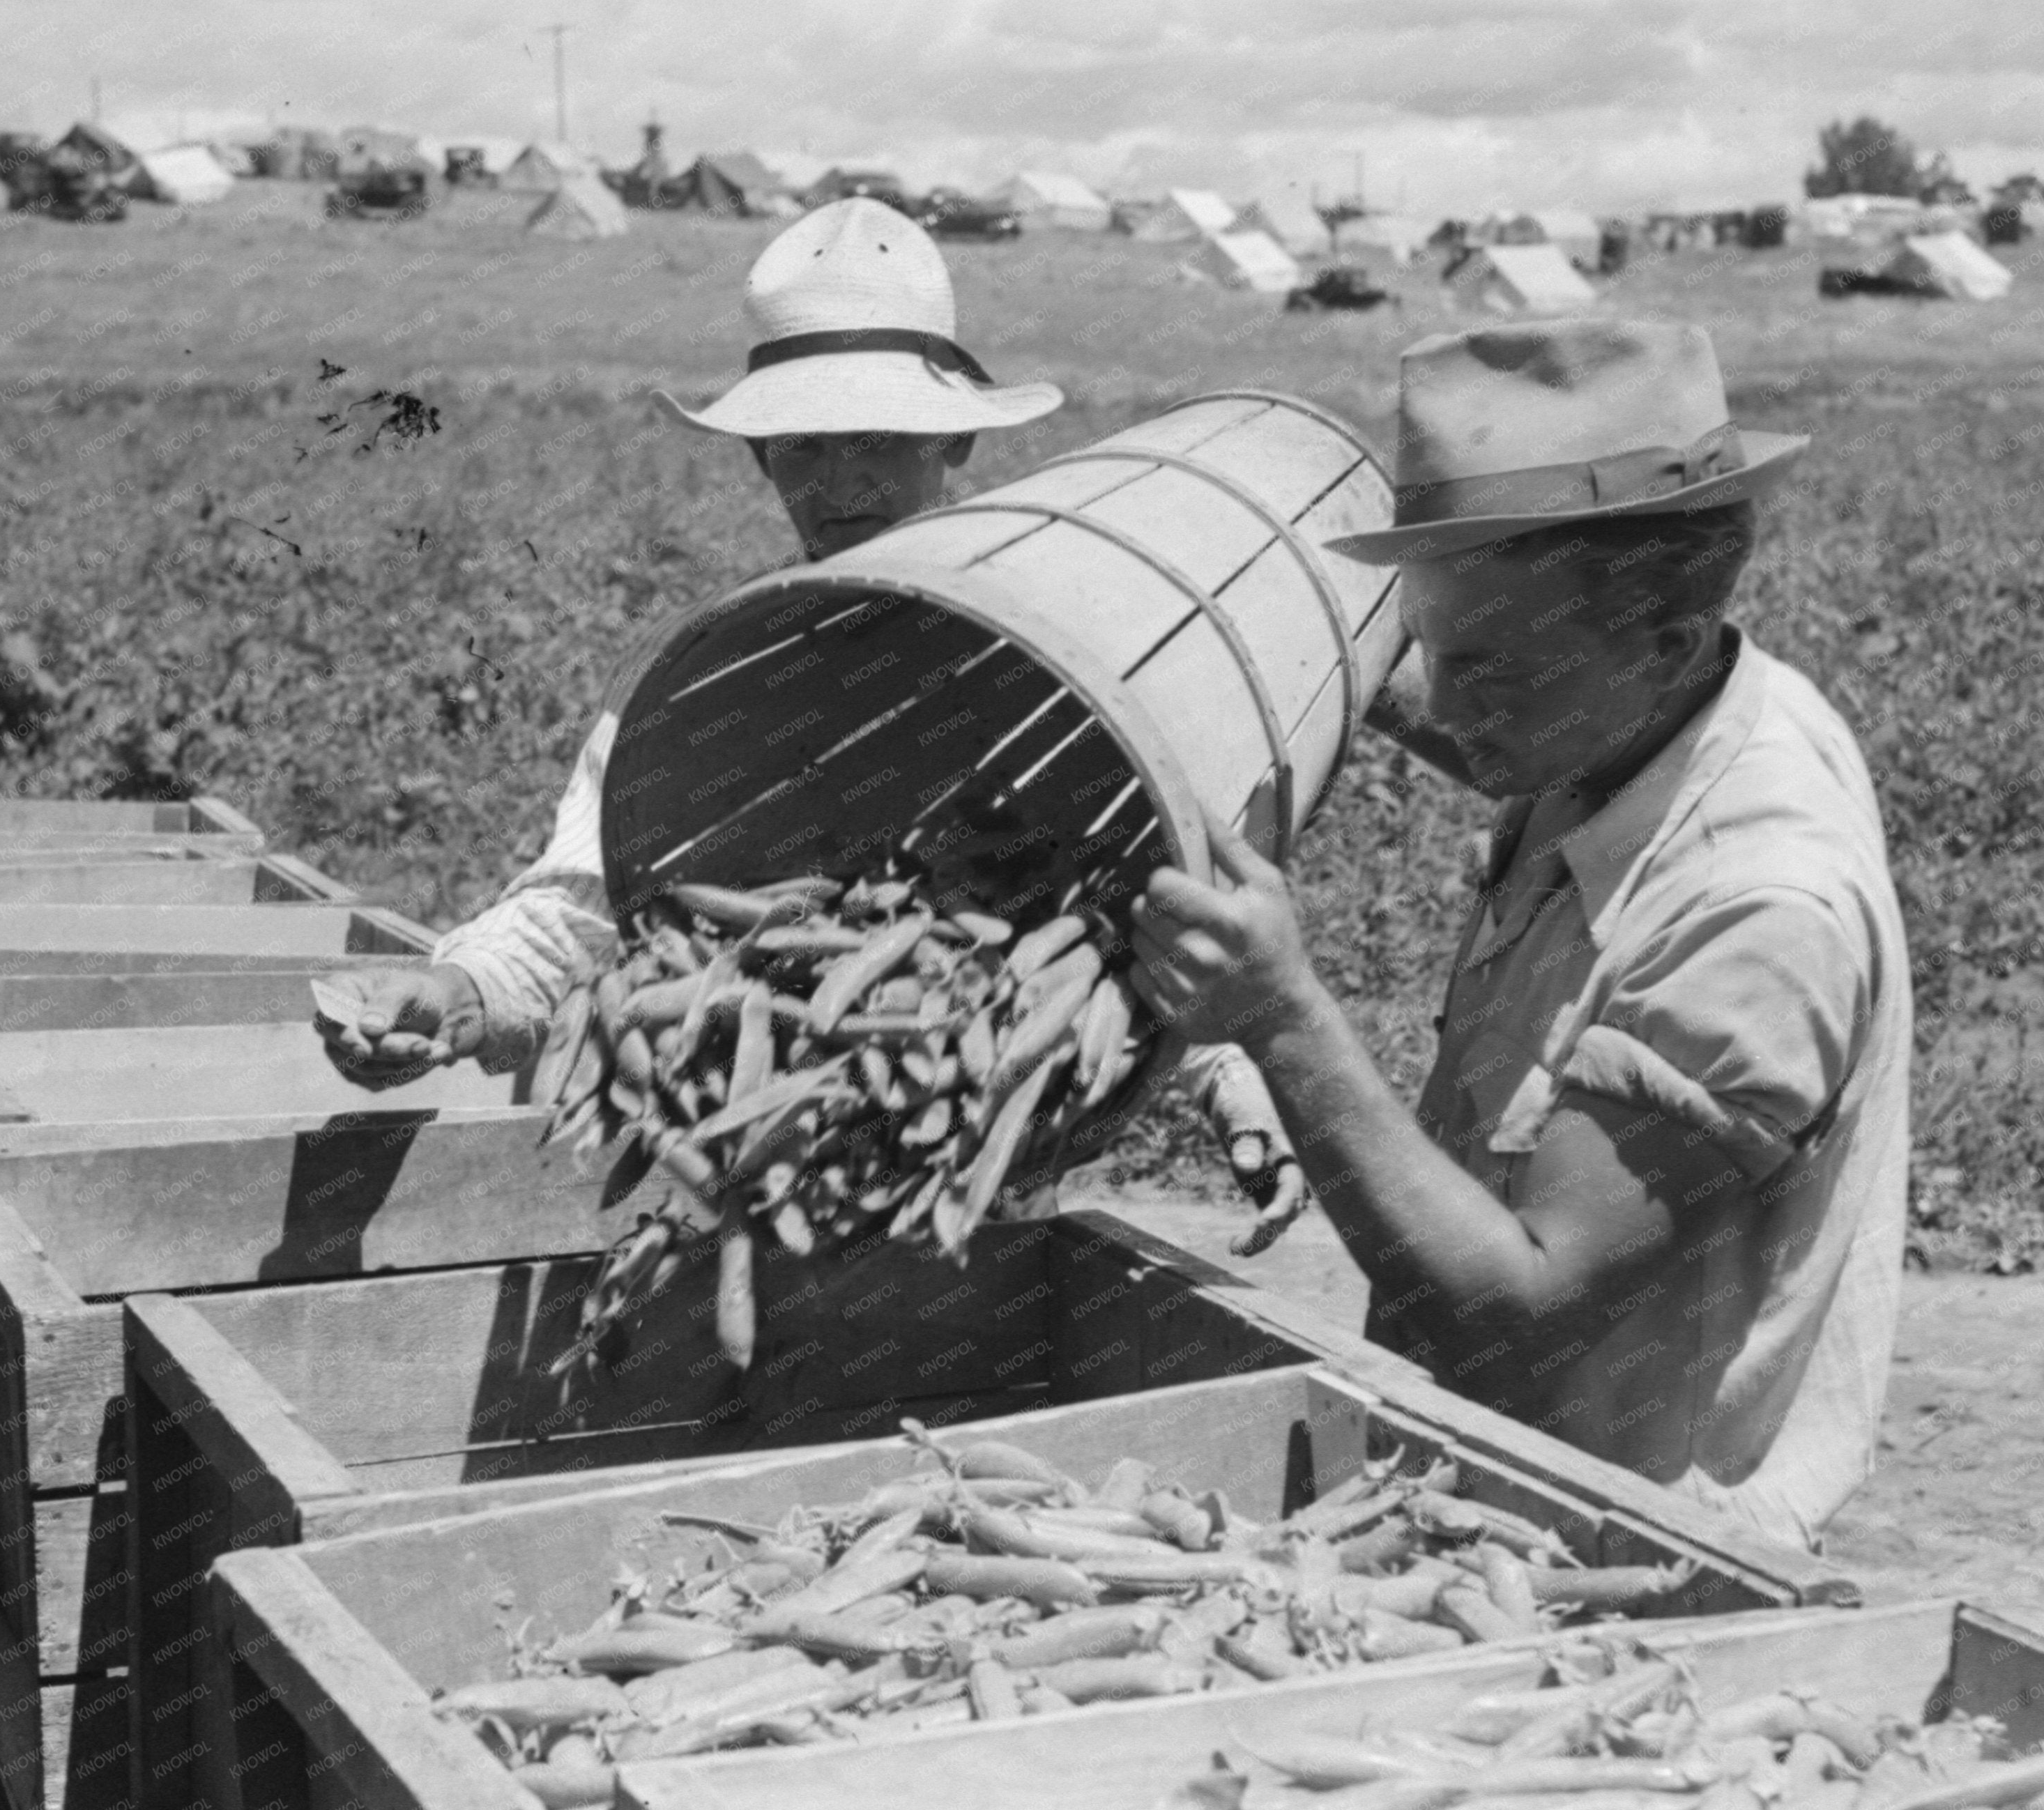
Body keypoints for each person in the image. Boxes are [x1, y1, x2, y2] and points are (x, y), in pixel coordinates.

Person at [324, 197, 1307, 1234]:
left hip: (992, 1195)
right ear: (761, 458)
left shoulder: (1064, 659)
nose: (845, 482)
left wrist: (1234, 1088)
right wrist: (462, 994)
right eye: (805, 445)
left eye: (882, 439)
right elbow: (577, 906)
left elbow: (1142, 911)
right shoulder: (706, 671)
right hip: (753, 1184)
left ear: (957, 439)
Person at [1129, 319, 1911, 1552]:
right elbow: (1441, 691)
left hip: (1623, 1548)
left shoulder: (1756, 909)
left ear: (1659, 640)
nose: (1447, 707)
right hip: (1494, 1486)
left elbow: (1526, 1314)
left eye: (1489, 673)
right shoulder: (1644, 711)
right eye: (1438, 650)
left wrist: (1284, 1019)